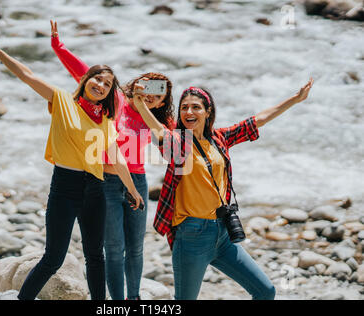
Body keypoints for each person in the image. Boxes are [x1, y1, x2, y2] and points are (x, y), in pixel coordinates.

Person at [0, 25, 144, 300]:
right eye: (97, 79)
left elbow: (118, 160)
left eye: (107, 84)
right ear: (86, 79)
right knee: (53, 258)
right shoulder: (62, 101)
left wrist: (133, 191)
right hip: (64, 188)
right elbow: (26, 75)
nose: (100, 85)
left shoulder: (106, 122)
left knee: (95, 257)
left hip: (95, 190)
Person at [132, 78, 314, 300]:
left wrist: (295, 99)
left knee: (266, 291)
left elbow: (258, 120)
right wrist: (141, 105)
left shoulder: (219, 138)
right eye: (184, 107)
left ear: (208, 112)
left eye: (196, 107)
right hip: (192, 236)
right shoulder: (178, 142)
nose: (189, 111)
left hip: (222, 232)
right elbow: (159, 132)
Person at [49, 20, 175, 300]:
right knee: (114, 248)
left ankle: (134, 298)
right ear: (138, 83)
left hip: (137, 182)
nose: (152, 95)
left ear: (161, 102)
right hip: (104, 181)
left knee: (137, 248)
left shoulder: (156, 118)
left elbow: (175, 148)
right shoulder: (114, 99)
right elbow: (82, 72)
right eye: (149, 87)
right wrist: (58, 46)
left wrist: (146, 110)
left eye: (159, 95)